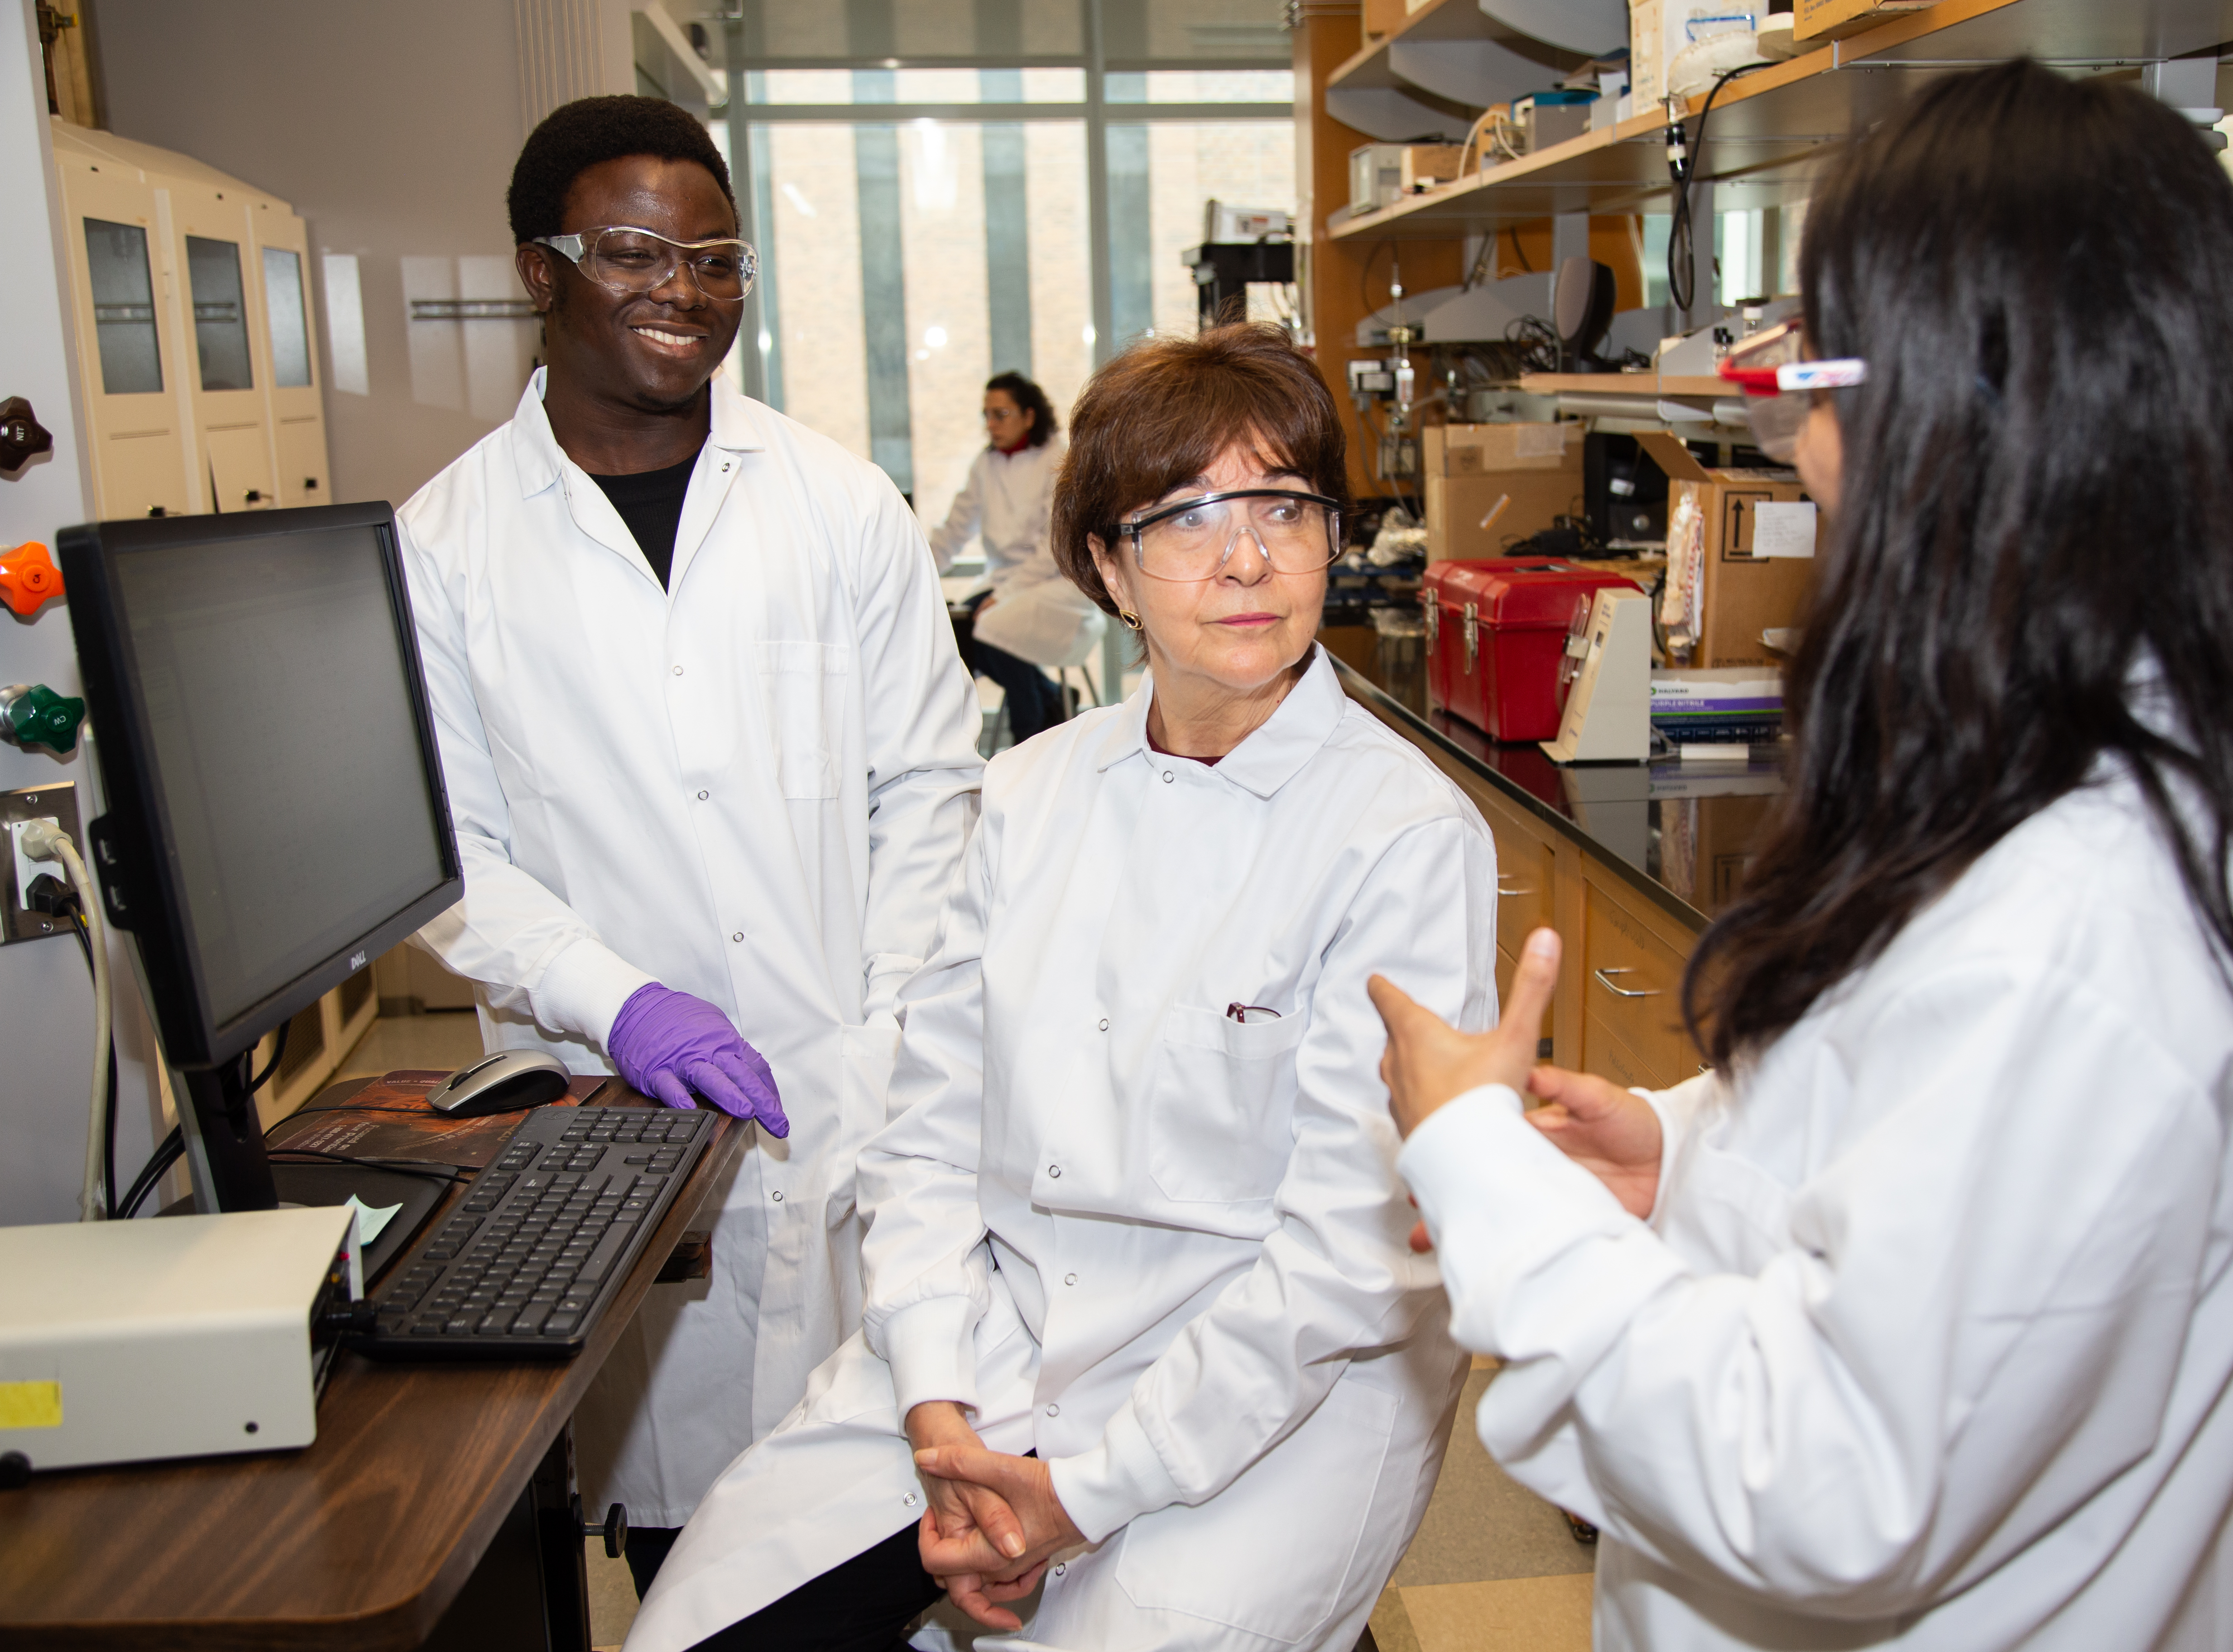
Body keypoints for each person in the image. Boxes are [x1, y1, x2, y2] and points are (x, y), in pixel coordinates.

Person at [1368, 61, 2233, 1652]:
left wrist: (1472, 1156)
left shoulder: (2086, 928)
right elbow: (1948, 1209)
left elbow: (1818, 1481)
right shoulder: (2094, 772)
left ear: (1966, 407)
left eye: (1817, 383)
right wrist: (1690, 1165)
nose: (1805, 451)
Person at [623, 324, 1497, 1652]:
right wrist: (933, 1407)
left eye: (1285, 508)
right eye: (1191, 516)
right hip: (1001, 1334)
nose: (1250, 556)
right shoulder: (1028, 794)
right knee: (695, 1630)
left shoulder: (1405, 836)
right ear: (1108, 565)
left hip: (1285, 1384)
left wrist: (1079, 1495)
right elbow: (922, 1137)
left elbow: (1344, 1256)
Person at [398, 95, 982, 1593]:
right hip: (619, 1114)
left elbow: (927, 789)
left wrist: (893, 1029)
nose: (682, 288)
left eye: (713, 256)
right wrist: (620, 999)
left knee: (893, 1522)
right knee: (682, 1526)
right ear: (539, 267)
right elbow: (453, 858)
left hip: (858, 1099)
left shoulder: (840, 508)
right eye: (634, 250)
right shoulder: (444, 547)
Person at [928, 373, 1081, 743]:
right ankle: (1047, 700)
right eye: (987, 415)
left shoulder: (1058, 459)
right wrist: (917, 569)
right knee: (961, 628)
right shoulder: (986, 464)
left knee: (996, 625)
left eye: (1001, 414)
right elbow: (956, 528)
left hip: (1055, 582)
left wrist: (1007, 593)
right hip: (1003, 579)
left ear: (1029, 416)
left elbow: (1054, 548)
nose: (991, 425)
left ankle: (1027, 733)